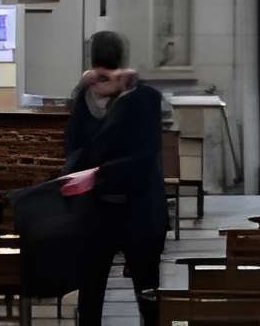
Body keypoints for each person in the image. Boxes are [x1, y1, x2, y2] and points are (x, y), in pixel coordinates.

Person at [61, 30, 167, 326]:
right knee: (93, 293)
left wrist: (97, 173)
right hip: (104, 211)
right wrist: (84, 93)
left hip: (134, 208)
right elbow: (74, 146)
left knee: (144, 293)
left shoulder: (140, 98)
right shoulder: (90, 99)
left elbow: (142, 155)